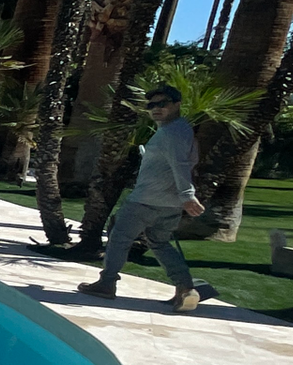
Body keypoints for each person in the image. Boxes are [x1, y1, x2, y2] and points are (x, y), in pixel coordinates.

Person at [77, 83, 204, 311]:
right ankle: (185, 287)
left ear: (176, 104)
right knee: (159, 242)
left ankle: (106, 284)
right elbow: (185, 161)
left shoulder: (172, 132)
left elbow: (181, 164)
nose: (156, 108)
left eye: (162, 104)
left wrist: (187, 194)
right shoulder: (180, 129)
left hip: (146, 200)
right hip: (169, 203)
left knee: (119, 238)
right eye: (151, 105)